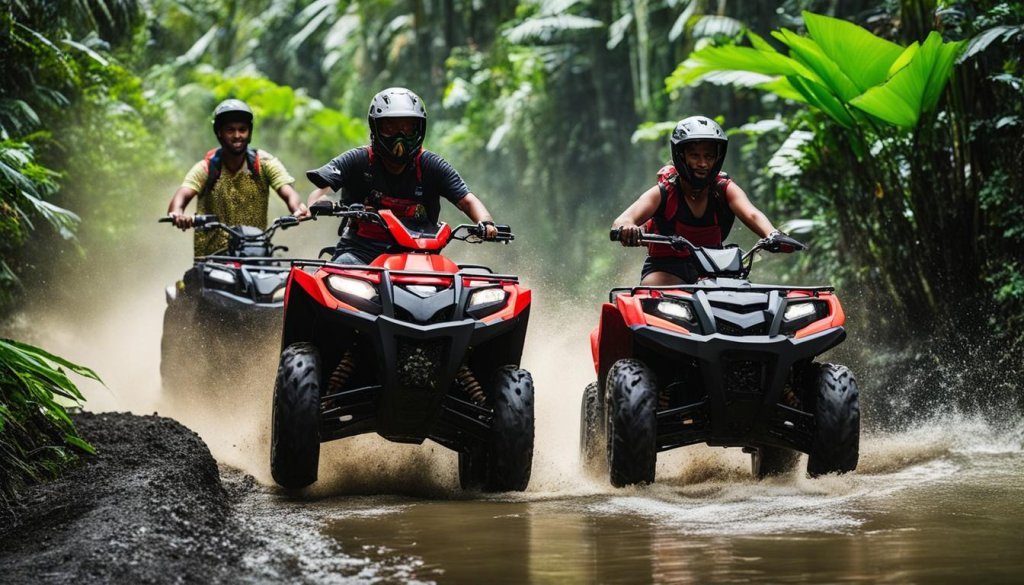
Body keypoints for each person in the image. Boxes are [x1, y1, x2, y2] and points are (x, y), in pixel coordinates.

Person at [305, 87, 498, 264]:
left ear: (419, 130)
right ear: (375, 128)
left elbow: (467, 200)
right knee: (333, 282)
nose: (400, 138)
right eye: (390, 128)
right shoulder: (358, 159)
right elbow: (320, 190)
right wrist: (321, 203)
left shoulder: (431, 164)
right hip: (360, 254)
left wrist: (486, 222)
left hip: (420, 258)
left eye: (407, 128)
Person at [612, 115, 785, 285]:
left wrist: (772, 234)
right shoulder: (664, 192)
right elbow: (622, 220)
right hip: (666, 269)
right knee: (652, 291)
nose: (703, 163)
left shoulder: (723, 189)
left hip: (715, 269)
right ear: (681, 156)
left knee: (744, 300)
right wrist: (627, 228)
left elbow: (752, 213)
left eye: (709, 156)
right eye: (695, 155)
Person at [167, 99, 308, 256]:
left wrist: (297, 209)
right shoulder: (207, 167)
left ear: (249, 133)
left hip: (254, 254)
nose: (237, 136)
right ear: (219, 132)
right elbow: (183, 194)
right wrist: (178, 214)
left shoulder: (264, 164)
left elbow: (287, 191)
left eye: (242, 130)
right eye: (230, 130)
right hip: (212, 258)